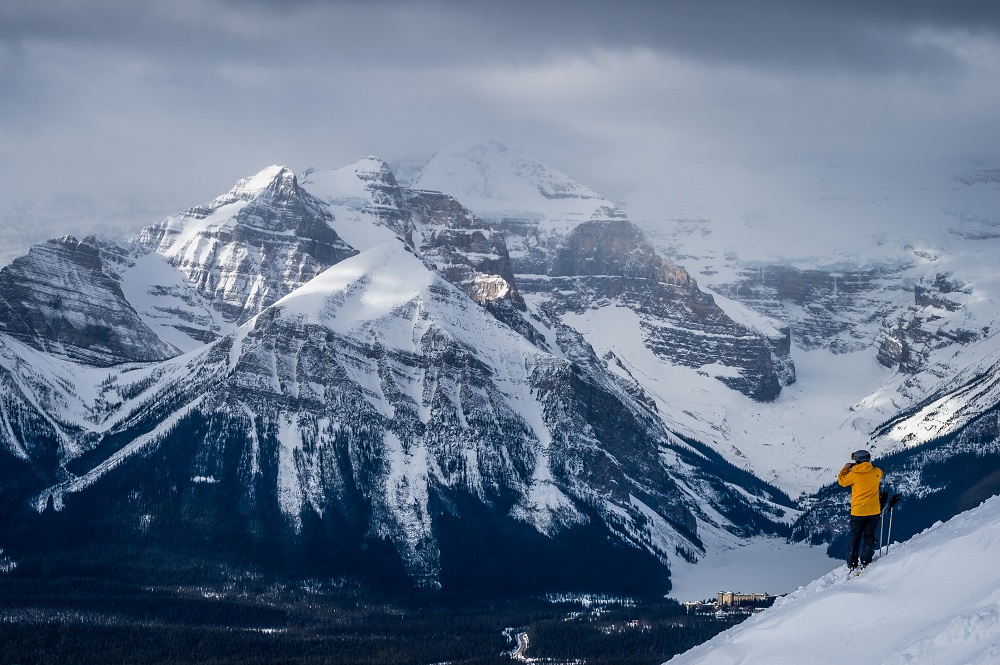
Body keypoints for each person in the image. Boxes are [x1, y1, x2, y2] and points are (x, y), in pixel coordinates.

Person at [837, 449, 883, 570]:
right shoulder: (877, 472)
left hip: (858, 512)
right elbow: (879, 473)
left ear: (857, 461)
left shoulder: (853, 474)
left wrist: (846, 468)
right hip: (873, 511)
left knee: (855, 537)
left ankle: (852, 562)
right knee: (869, 536)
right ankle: (866, 559)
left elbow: (842, 481)